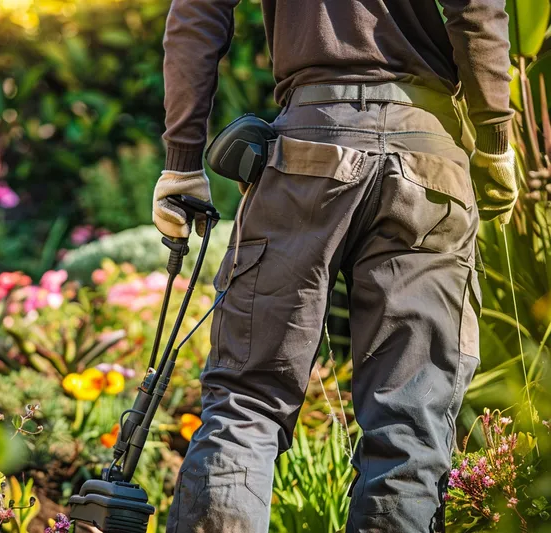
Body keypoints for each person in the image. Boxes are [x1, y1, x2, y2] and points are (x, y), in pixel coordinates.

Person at [152, 0, 518, 531]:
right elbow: (478, 9)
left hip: (307, 147)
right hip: (430, 161)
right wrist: (493, 139)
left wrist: (183, 164)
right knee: (409, 426)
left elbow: (197, 11)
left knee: (247, 402)